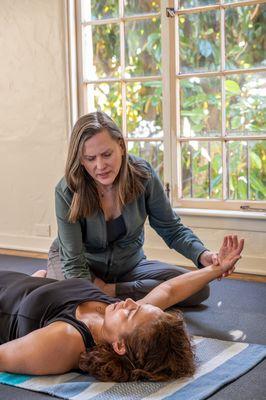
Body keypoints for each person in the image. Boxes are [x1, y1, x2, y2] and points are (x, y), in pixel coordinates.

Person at [0, 235, 243, 381]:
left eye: (132, 311)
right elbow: (169, 291)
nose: (129, 303)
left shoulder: (65, 341)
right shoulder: (120, 320)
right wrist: (215, 269)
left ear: (119, 345)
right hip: (20, 285)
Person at [48, 111, 229, 303]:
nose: (100, 165)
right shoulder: (67, 191)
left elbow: (171, 229)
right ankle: (48, 280)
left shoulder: (143, 176)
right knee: (70, 302)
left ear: (121, 146)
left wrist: (203, 255)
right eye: (90, 159)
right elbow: (74, 264)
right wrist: (91, 296)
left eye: (107, 154)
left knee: (198, 290)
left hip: (128, 268)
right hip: (79, 267)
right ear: (81, 160)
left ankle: (110, 292)